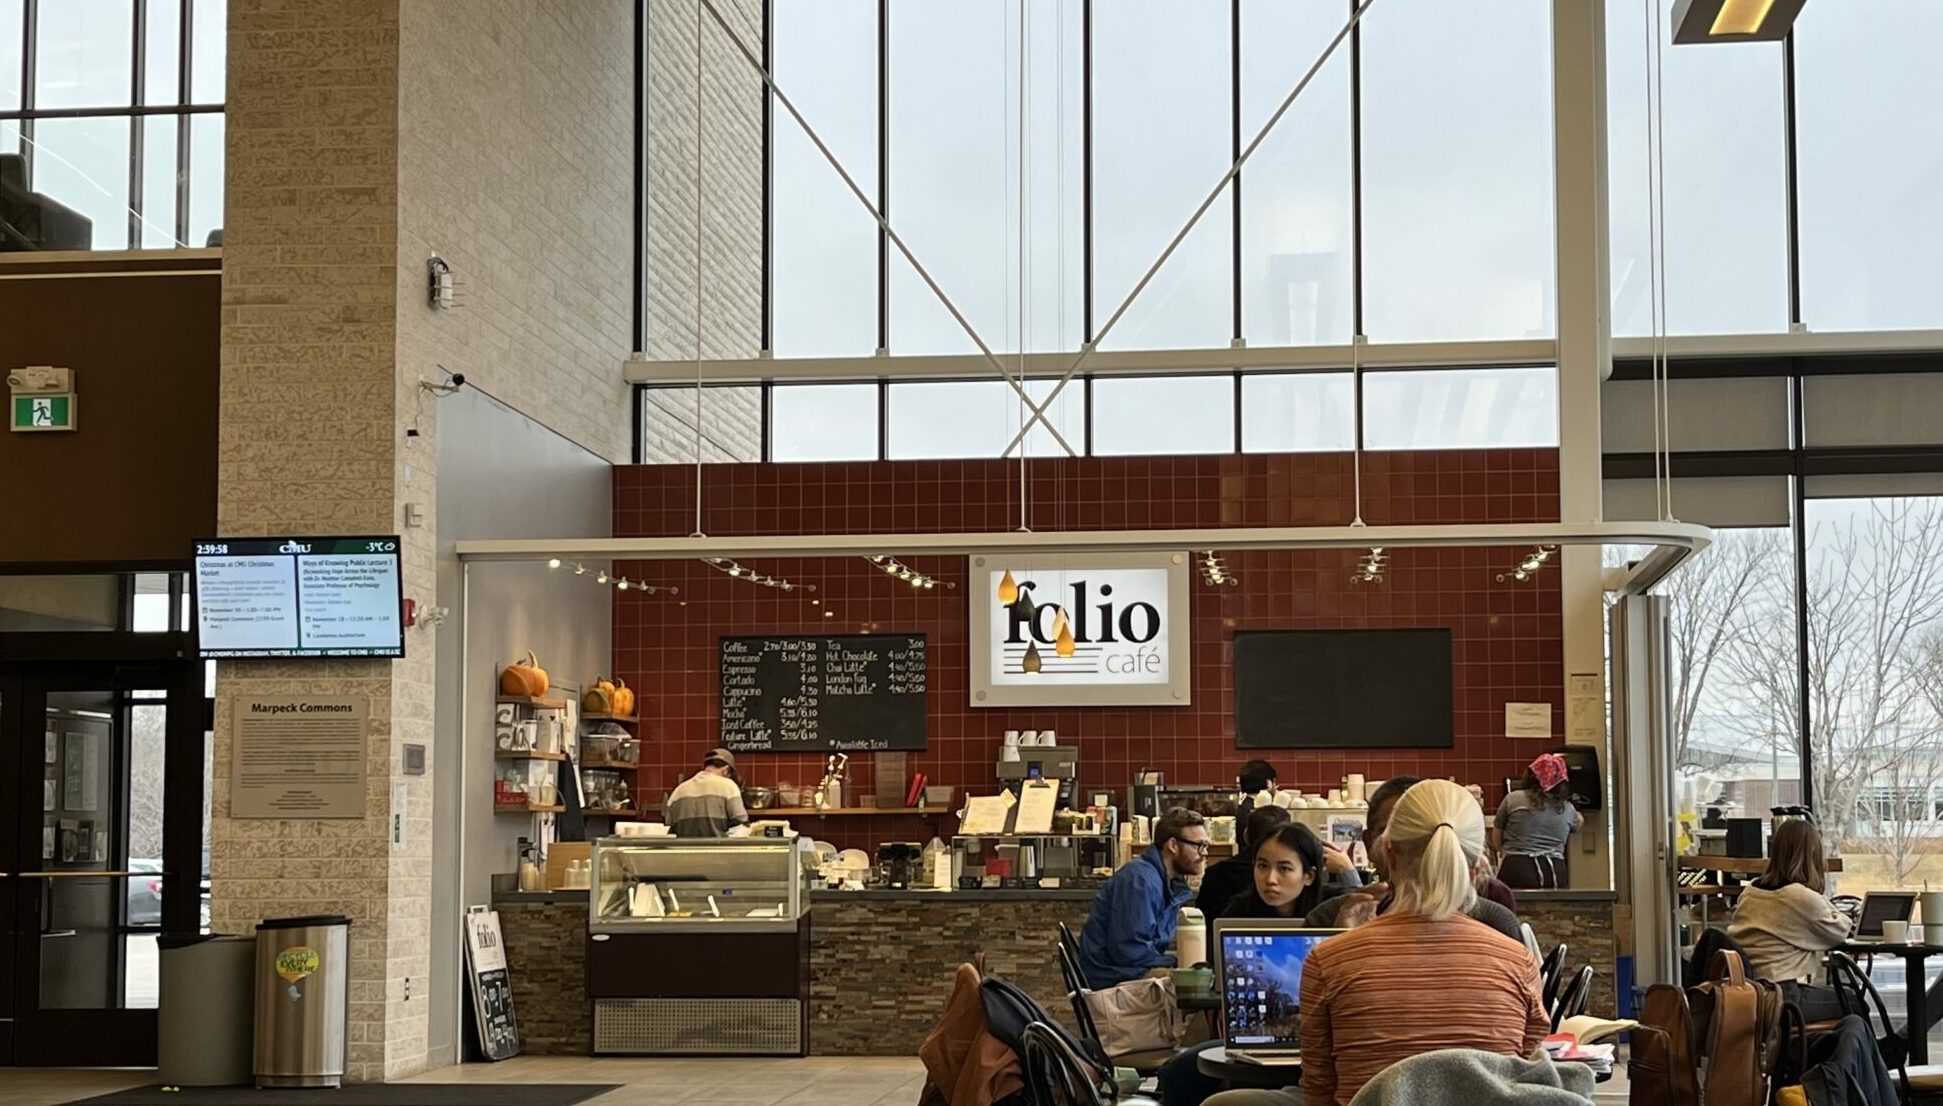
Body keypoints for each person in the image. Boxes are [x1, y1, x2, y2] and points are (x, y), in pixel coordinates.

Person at [1205, 780, 1550, 1106]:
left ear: (1389, 854)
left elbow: (1319, 1091)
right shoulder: (1517, 961)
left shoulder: (1329, 960)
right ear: (1477, 867)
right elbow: (1524, 1080)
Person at [1303, 774, 1522, 941]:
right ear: (1372, 843)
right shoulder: (1328, 918)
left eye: (1421, 837)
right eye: (1390, 831)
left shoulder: (1495, 919)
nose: (1415, 851)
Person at [1079, 808, 1208, 988]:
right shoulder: (1141, 880)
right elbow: (1129, 950)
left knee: (1196, 981)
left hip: (1123, 972)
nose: (1204, 853)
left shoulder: (1163, 881)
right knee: (1193, 986)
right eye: (1198, 846)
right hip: (1112, 980)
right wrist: (1177, 964)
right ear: (1173, 845)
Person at [1727, 818, 1852, 982]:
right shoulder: (1800, 897)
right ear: (1813, 854)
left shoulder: (1750, 891)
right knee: (1853, 1001)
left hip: (1752, 988)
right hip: (1783, 990)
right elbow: (1839, 932)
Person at [1492, 753, 1583, 889]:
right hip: (1554, 871)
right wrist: (1578, 815)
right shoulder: (1567, 808)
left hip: (1517, 868)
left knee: (1513, 909)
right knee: (1554, 910)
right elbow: (1578, 824)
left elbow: (1496, 837)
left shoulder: (1512, 799)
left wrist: (1504, 851)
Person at [1221, 823, 1338, 920]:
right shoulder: (1239, 912)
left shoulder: (1334, 910)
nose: (1271, 879)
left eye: (1284, 869)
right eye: (1262, 866)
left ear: (1309, 876)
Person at [1197, 805, 1291, 916]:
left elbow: (1202, 922)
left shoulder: (1215, 874)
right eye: (1262, 866)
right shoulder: (1294, 878)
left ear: (1245, 835)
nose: (1271, 879)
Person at [664, 748, 749, 837]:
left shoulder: (678, 790)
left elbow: (669, 827)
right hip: (716, 849)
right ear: (726, 770)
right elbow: (740, 825)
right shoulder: (729, 786)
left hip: (684, 850)